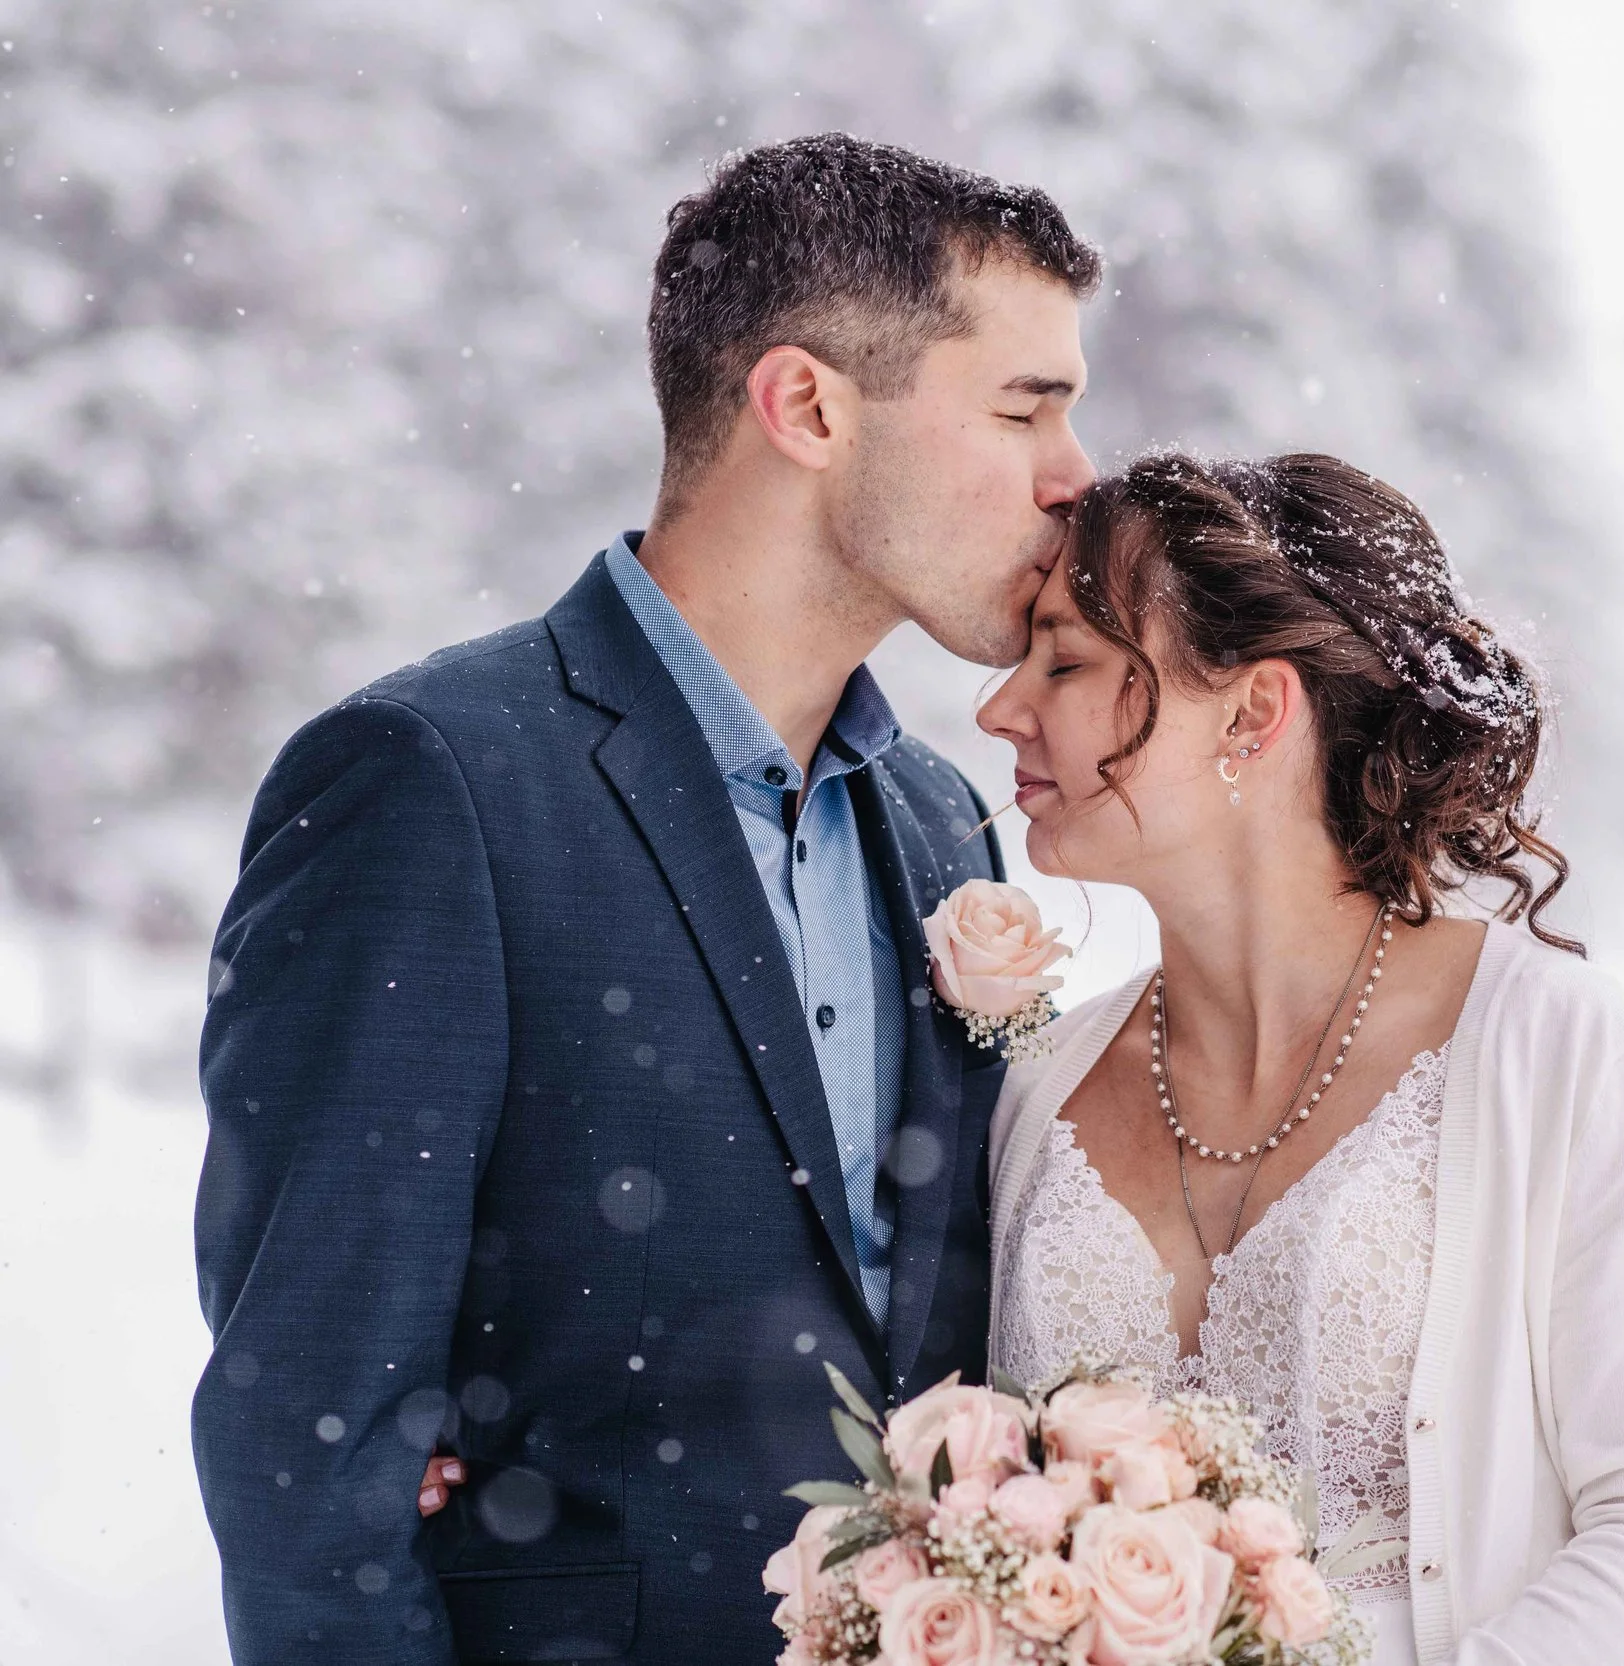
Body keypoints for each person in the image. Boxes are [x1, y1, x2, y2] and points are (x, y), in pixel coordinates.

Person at [192, 134, 1099, 1662]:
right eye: (1026, 408)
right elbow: (310, 1440)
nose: (1075, 473)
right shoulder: (432, 785)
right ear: (806, 403)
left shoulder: (942, 823)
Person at [980, 453, 1624, 1665]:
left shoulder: (1548, 1050)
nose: (1000, 708)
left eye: (1066, 661)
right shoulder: (1034, 1093)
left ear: (1252, 712)